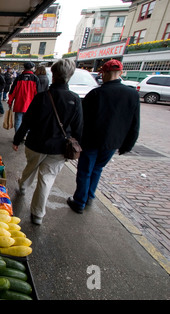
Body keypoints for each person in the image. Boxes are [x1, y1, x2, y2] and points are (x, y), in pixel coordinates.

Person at [13, 59, 83, 225]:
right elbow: (78, 128)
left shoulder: (41, 97)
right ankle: (37, 214)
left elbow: (27, 121)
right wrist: (79, 145)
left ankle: (23, 186)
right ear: (70, 76)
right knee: (46, 179)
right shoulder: (75, 99)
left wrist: (17, 139)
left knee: (30, 167)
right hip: (58, 148)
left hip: (35, 144)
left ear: (53, 74)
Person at [67, 60, 140, 214]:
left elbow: (82, 120)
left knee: (85, 171)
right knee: (97, 169)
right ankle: (89, 197)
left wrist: (75, 137)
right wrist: (128, 145)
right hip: (113, 142)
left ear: (104, 74)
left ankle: (80, 201)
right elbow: (135, 123)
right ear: (120, 73)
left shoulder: (96, 93)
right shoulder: (132, 94)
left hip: (92, 140)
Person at [8, 62, 40, 133]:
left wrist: (10, 102)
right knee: (28, 121)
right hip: (30, 105)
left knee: (18, 120)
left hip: (19, 103)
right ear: (32, 68)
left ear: (24, 68)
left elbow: (12, 92)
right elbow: (38, 94)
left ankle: (17, 137)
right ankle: (25, 135)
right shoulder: (35, 78)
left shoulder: (18, 78)